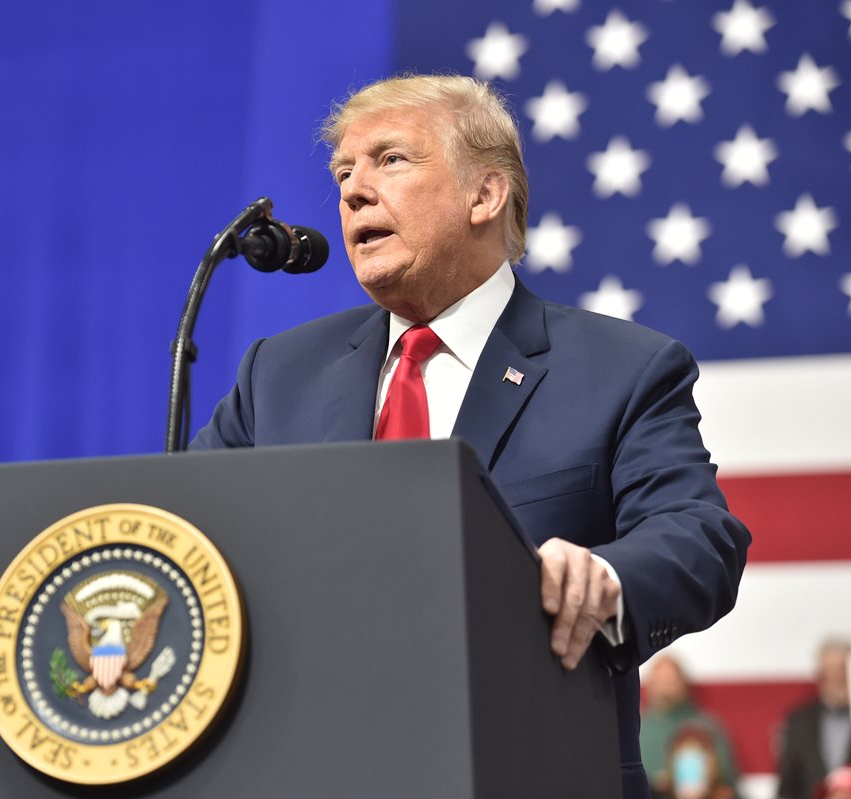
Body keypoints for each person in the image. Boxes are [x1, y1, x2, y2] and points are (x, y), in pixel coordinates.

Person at [190, 73, 750, 799]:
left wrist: (604, 577)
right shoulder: (279, 375)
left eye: (389, 160)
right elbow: (184, 534)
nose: (354, 190)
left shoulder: (623, 370)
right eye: (343, 172)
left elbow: (700, 536)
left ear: (485, 195)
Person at [641, 655, 740, 797]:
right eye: (659, 681)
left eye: (671, 681)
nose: (665, 689)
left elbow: (727, 782)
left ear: (683, 684)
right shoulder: (636, 730)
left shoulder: (707, 728)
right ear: (650, 685)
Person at [777, 639, 851, 799]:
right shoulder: (798, 721)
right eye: (829, 672)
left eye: (842, 671)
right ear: (819, 674)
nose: (837, 678)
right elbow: (787, 786)